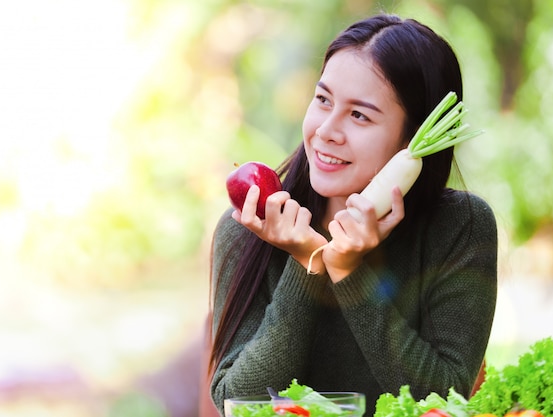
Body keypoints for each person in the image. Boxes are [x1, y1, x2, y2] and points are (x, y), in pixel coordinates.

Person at [207, 13, 497, 416]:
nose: (326, 129)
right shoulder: (249, 227)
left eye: (359, 115)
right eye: (323, 99)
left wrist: (347, 271)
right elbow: (236, 401)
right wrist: (308, 262)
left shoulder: (460, 226)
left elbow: (445, 399)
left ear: (412, 141)